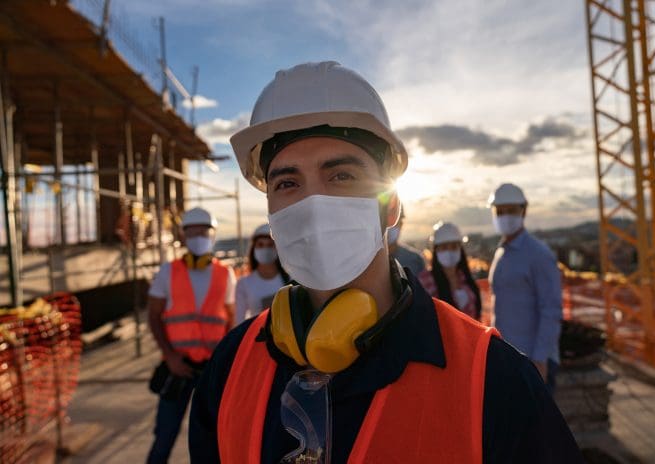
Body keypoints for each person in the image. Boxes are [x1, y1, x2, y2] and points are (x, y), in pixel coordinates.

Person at [189, 61, 582, 463]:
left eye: (341, 176)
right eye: (287, 183)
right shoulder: (230, 370)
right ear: (271, 214)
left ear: (391, 205)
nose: (313, 204)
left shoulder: (493, 382)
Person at [146, 207, 236, 464]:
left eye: (204, 231)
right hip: (178, 368)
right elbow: (153, 316)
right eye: (193, 231)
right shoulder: (167, 272)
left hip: (212, 370)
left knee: (215, 439)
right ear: (183, 236)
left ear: (213, 235)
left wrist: (224, 360)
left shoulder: (225, 273)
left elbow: (231, 320)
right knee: (164, 437)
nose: (198, 236)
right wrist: (170, 356)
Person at [487, 183, 562, 393]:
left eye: (511, 210)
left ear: (523, 211)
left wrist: (540, 359)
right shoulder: (501, 253)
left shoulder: (538, 254)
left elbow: (551, 309)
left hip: (532, 360)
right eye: (500, 211)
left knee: (538, 425)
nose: (505, 216)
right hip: (507, 357)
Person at [418, 221, 481, 320]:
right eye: (444, 247)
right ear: (436, 250)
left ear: (460, 248)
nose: (449, 251)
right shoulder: (425, 281)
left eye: (454, 246)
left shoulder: (466, 277)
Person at [234, 223, 289, 326]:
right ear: (253, 248)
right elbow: (239, 322)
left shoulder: (291, 280)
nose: (265, 249)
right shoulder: (244, 284)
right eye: (260, 245)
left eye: (270, 245)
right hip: (258, 339)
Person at [387, 206, 426, 275]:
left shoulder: (415, 260)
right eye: (384, 221)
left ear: (401, 224)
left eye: (394, 222)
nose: (388, 227)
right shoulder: (365, 263)